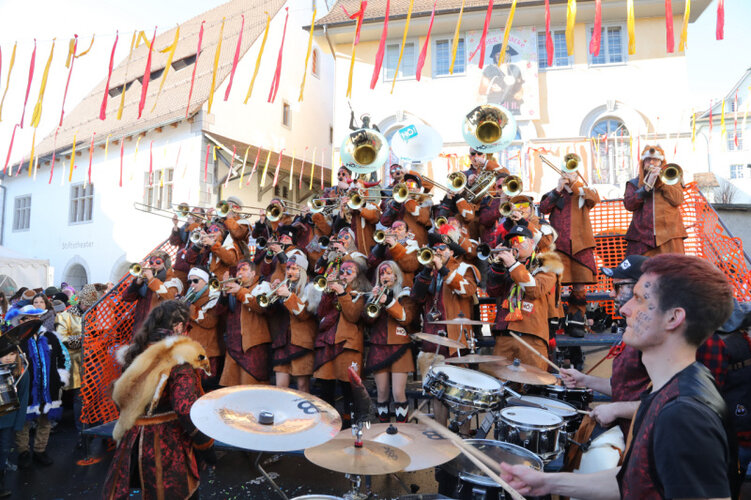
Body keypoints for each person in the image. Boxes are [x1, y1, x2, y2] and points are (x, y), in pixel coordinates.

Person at [501, 254, 739, 499]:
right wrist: (546, 482)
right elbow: (632, 480)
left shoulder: (684, 415)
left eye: (639, 299)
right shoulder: (667, 389)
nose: (624, 309)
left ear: (673, 318)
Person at [103, 300, 215, 500]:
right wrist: (205, 445)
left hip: (132, 442)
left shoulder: (137, 351)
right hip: (167, 448)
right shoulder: (179, 357)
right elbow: (185, 408)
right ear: (178, 327)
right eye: (187, 327)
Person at [560, 255, 651, 436]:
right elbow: (623, 388)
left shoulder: (654, 338)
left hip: (643, 438)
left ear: (640, 290)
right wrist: (584, 380)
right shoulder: (635, 332)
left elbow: (665, 404)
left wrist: (616, 409)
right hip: (629, 434)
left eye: (618, 287)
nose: (611, 294)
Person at [487, 225, 562, 371]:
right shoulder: (508, 266)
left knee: (534, 380)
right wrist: (497, 268)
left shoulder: (546, 264)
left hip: (531, 335)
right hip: (505, 334)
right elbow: (493, 292)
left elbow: (535, 290)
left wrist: (513, 265)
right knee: (501, 380)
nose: (515, 244)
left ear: (532, 243)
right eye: (512, 241)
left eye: (519, 239)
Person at [539, 170, 600, 337]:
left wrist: (574, 184)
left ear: (577, 174)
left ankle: (576, 320)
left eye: (572, 171)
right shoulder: (554, 193)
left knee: (580, 284)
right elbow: (543, 208)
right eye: (566, 171)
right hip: (559, 246)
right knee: (555, 284)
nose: (568, 175)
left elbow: (594, 199)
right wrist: (558, 189)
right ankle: (555, 319)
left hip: (582, 245)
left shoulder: (585, 191)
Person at [10, 305, 70, 468]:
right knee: (23, 422)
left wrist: (61, 377)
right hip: (25, 388)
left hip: (48, 387)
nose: (32, 321)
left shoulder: (51, 337)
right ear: (21, 321)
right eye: (28, 318)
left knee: (45, 421)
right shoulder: (16, 340)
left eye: (35, 318)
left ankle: (40, 450)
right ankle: (23, 452)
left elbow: (63, 357)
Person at [314, 258, 368, 423]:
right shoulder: (332, 292)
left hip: (348, 344)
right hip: (327, 343)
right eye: (342, 272)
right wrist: (327, 294)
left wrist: (342, 294)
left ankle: (350, 424)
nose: (344, 275)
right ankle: (327, 424)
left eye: (349, 272)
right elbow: (321, 313)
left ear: (357, 276)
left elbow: (353, 316)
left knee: (349, 388)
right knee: (325, 386)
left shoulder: (359, 294)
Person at [364, 261, 416, 423]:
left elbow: (406, 318)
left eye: (388, 273)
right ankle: (384, 430)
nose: (385, 276)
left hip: (400, 345)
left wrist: (388, 301)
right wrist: (374, 299)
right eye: (382, 273)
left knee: (398, 393)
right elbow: (367, 320)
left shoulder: (405, 294)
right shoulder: (375, 293)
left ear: (396, 275)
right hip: (378, 346)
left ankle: (402, 429)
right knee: (381, 392)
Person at [263, 254, 320, 394]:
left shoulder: (310, 288)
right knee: (280, 388)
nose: (290, 271)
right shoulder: (284, 286)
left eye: (294, 268)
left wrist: (288, 296)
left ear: (302, 270)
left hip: (302, 342)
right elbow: (270, 313)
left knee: (302, 387)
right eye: (288, 268)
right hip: (282, 342)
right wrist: (272, 293)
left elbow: (303, 314)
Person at [623, 145, 687, 256]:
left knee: (673, 266)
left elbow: (678, 200)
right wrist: (645, 188)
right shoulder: (634, 183)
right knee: (640, 266)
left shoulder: (672, 179)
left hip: (670, 237)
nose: (652, 163)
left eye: (656, 160)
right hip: (641, 238)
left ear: (661, 163)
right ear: (643, 163)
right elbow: (629, 205)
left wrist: (662, 183)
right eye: (648, 160)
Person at [55, 283, 99, 445]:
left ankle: (94, 429)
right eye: (86, 304)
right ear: (80, 302)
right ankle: (82, 432)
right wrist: (83, 339)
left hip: (95, 361)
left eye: (91, 304)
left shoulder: (97, 315)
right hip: (76, 363)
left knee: (95, 397)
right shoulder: (65, 316)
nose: (89, 307)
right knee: (80, 398)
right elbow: (61, 339)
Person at [217, 260, 272, 386]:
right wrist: (224, 294)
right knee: (232, 389)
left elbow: (260, 308)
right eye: (238, 270)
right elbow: (219, 312)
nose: (239, 273)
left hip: (253, 346)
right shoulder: (233, 288)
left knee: (251, 388)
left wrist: (240, 291)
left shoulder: (263, 286)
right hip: (233, 346)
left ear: (253, 273)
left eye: (244, 269)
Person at [0, 333, 29, 497]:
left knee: (4, 451)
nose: (8, 358)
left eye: (12, 354)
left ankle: (1, 485)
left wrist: (18, 423)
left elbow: (23, 398)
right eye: (4, 354)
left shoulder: (21, 371)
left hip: (8, 421)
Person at [183, 267, 221, 390]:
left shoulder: (213, 295)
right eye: (189, 281)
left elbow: (210, 321)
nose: (192, 284)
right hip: (192, 348)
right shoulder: (191, 296)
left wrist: (189, 307)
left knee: (205, 388)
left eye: (195, 281)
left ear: (205, 281)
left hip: (207, 350)